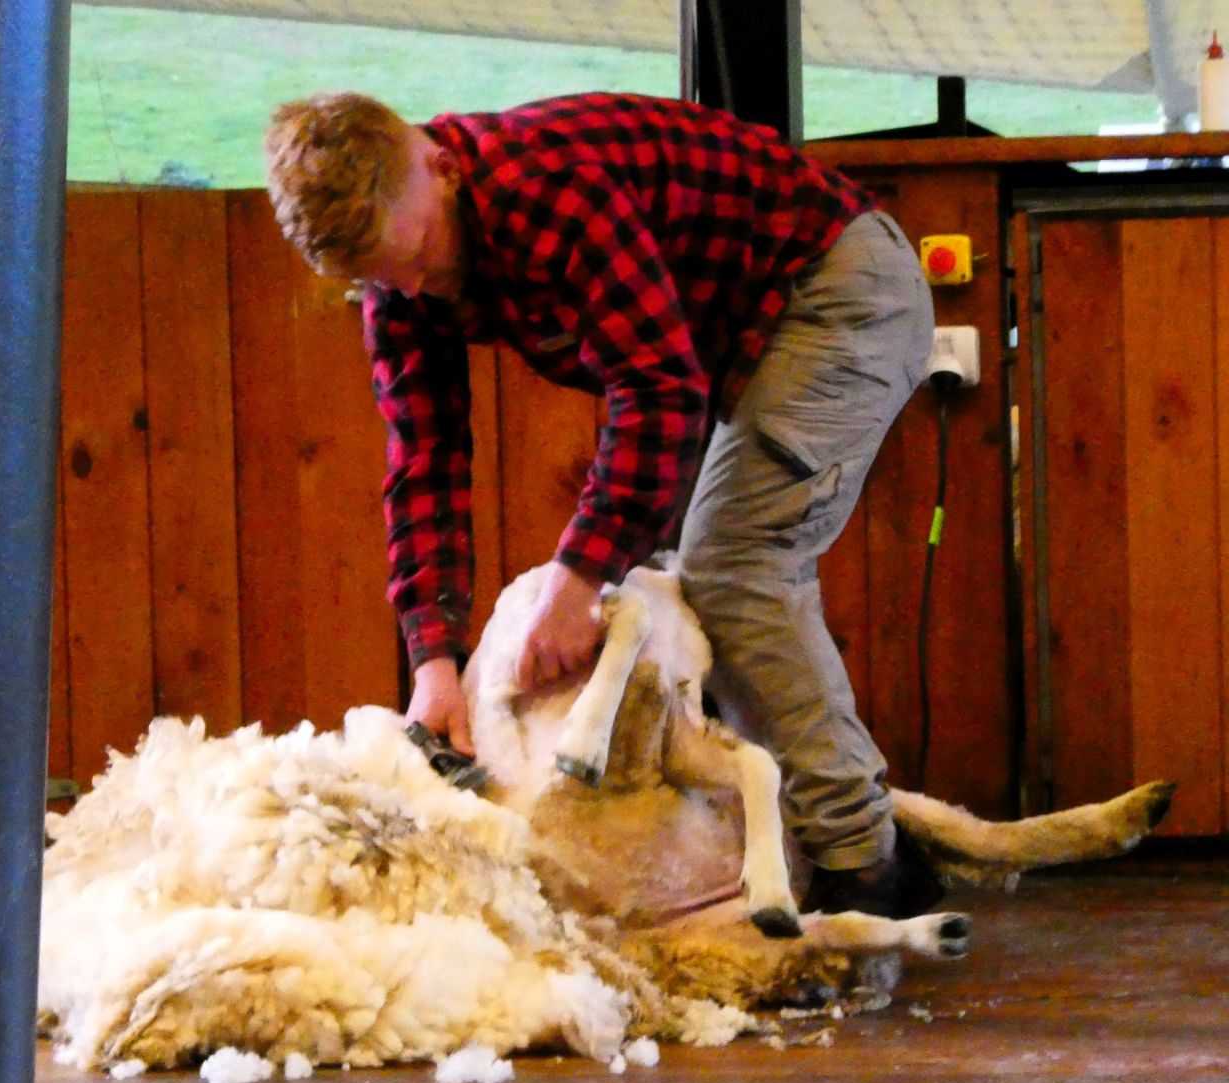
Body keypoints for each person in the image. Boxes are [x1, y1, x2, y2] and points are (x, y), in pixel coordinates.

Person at [262, 90, 941, 918]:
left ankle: (866, 869)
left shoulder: (547, 188)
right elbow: (425, 458)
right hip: (735, 333)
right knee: (679, 591)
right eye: (376, 277)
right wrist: (432, 659)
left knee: (733, 569)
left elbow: (657, 390)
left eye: (419, 258)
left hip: (835, 286)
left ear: (441, 167)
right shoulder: (399, 277)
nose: (411, 290)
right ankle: (780, 851)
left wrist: (579, 578)